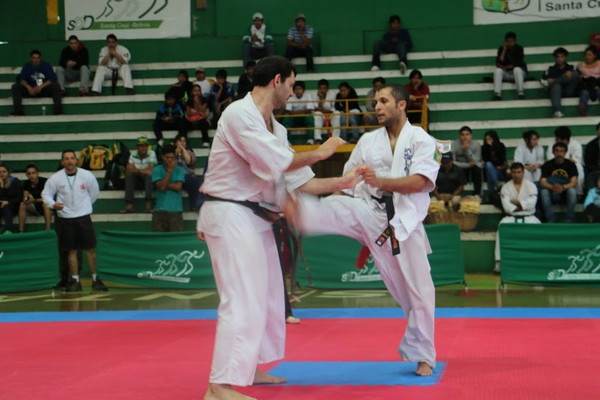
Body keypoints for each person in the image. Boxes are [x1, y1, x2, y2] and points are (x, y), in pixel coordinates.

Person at [196, 55, 349, 400]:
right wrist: (321, 152)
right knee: (241, 298)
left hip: (257, 218)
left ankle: (248, 367)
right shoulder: (238, 114)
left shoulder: (276, 129)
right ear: (276, 80)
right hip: (231, 212)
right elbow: (278, 162)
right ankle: (219, 385)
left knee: (267, 296)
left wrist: (345, 181)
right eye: (292, 85)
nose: (293, 92)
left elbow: (299, 180)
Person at [295, 83, 439, 377]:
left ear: (401, 105)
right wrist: (341, 191)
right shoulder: (368, 141)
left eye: (383, 101)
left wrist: (381, 181)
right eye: (375, 102)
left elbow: (421, 182)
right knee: (336, 205)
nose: (377, 107)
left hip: (405, 220)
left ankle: (423, 355)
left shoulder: (424, 141)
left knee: (418, 291)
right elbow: (350, 182)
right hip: (369, 209)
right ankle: (296, 211)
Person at [41, 150, 107, 292]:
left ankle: (96, 279)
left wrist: (84, 206)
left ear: (76, 160)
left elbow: (94, 193)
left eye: (72, 158)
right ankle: (75, 281)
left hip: (83, 217)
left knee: (90, 249)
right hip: (66, 219)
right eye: (66, 159)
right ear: (62, 162)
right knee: (71, 250)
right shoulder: (55, 178)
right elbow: (46, 194)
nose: (70, 161)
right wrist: (53, 205)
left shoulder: (87, 175)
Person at [494, 162, 540, 273]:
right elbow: (507, 207)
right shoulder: (506, 187)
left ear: (523, 173)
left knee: (539, 229)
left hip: (529, 217)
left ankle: (538, 261)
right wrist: (523, 206)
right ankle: (499, 262)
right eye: (514, 172)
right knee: (501, 227)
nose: (516, 175)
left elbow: (532, 205)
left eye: (519, 172)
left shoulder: (531, 186)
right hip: (511, 217)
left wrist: (517, 203)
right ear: (510, 173)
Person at [10, 49, 62, 116]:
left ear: (40, 58)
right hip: (30, 90)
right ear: (31, 58)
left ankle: (57, 110)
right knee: (15, 86)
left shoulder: (46, 65)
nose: (36, 60)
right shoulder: (27, 66)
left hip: (43, 90)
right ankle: (18, 111)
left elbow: (52, 78)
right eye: (34, 58)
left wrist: (41, 87)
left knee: (56, 86)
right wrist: (28, 87)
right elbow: (21, 78)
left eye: (37, 58)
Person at [540, 142, 578, 223]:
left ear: (565, 152)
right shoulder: (547, 164)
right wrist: (553, 187)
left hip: (565, 193)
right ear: (553, 152)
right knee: (544, 192)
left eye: (561, 151)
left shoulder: (571, 164)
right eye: (557, 151)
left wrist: (563, 187)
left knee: (572, 191)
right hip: (552, 192)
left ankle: (569, 219)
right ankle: (550, 219)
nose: (559, 154)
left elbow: (574, 182)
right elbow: (542, 182)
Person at [152, 144, 185, 232]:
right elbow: (162, 187)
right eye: (167, 157)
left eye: (172, 157)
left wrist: (163, 182)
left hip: (176, 210)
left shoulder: (179, 170)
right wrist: (170, 172)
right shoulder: (156, 169)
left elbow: (178, 187)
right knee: (158, 239)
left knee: (176, 239)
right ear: (163, 157)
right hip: (160, 210)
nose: (170, 160)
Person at [121, 136, 157, 214]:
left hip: (148, 178)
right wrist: (141, 170)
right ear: (137, 147)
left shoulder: (151, 153)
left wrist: (136, 169)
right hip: (137, 177)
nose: (143, 148)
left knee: (149, 176)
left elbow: (150, 170)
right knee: (129, 175)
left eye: (145, 146)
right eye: (141, 146)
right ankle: (130, 205)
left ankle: (148, 204)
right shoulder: (133, 154)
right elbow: (128, 169)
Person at [540, 47, 579, 118]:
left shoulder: (571, 67)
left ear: (566, 57)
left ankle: (556, 81)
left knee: (575, 74)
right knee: (556, 85)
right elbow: (545, 81)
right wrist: (563, 76)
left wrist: (555, 80)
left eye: (562, 56)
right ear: (555, 58)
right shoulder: (550, 69)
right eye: (557, 57)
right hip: (556, 92)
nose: (559, 59)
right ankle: (557, 111)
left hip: (569, 90)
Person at [546, 126, 585, 195]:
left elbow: (576, 160)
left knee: (578, 167)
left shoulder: (576, 144)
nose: (556, 140)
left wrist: (563, 159)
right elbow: (550, 159)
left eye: (558, 138)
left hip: (570, 166)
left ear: (565, 139)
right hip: (555, 165)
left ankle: (579, 193)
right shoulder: (552, 145)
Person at [492, 31, 527, 100]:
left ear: (515, 41)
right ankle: (497, 94)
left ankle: (520, 93)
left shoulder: (519, 48)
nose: (510, 43)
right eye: (508, 41)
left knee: (517, 69)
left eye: (512, 41)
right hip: (506, 73)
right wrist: (504, 51)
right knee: (498, 71)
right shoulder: (501, 49)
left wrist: (508, 66)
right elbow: (498, 63)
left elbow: (519, 63)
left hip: (518, 74)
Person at [173, 134, 202, 211]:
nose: (182, 143)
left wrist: (183, 149)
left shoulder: (190, 152)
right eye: (180, 141)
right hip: (174, 176)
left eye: (184, 141)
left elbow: (189, 162)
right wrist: (176, 153)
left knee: (195, 183)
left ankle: (194, 206)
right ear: (176, 142)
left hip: (186, 176)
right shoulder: (171, 151)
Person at [18, 164, 51, 233]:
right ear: (26, 175)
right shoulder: (26, 183)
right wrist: (27, 199)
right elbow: (25, 198)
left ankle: (48, 229)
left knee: (45, 204)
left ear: (37, 173)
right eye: (29, 174)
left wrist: (34, 200)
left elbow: (47, 198)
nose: (31, 175)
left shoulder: (44, 181)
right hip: (34, 206)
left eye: (33, 173)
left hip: (45, 206)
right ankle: (21, 231)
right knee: (22, 204)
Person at [453, 126, 482, 197]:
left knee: (477, 169)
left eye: (467, 134)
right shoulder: (454, 144)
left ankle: (477, 194)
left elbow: (476, 160)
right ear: (459, 136)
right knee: (453, 168)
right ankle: (454, 194)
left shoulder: (476, 144)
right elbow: (452, 162)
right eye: (462, 135)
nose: (465, 137)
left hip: (472, 167)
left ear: (471, 135)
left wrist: (467, 150)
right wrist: (468, 165)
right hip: (460, 166)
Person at [482, 130, 507, 204]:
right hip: (491, 170)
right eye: (486, 140)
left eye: (489, 139)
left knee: (489, 168)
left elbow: (501, 160)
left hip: (500, 171)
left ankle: (491, 196)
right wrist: (489, 148)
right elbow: (486, 159)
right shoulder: (484, 148)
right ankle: (496, 184)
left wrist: (496, 164)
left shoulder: (501, 146)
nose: (488, 141)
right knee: (488, 166)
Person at [312, 79, 340, 144]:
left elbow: (333, 109)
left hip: (331, 115)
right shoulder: (314, 95)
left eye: (324, 88)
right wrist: (321, 99)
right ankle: (318, 138)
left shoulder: (332, 94)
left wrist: (322, 110)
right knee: (317, 114)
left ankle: (335, 138)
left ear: (327, 89)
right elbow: (316, 109)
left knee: (337, 113)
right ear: (318, 88)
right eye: (320, 88)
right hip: (321, 115)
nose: (322, 90)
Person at [576, 46, 600, 116]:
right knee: (584, 93)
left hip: (598, 84)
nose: (587, 57)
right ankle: (582, 111)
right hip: (586, 85)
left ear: (594, 56)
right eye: (586, 55)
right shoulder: (580, 65)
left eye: (590, 55)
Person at [0, 164, 22, 234]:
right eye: (0, 172)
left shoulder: (15, 181)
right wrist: (1, 186)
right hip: (2, 205)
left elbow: (19, 197)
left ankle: (9, 230)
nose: (1, 174)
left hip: (14, 205)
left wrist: (8, 202)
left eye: (4, 172)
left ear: (8, 173)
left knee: (6, 207)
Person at [584, 122, 600, 191]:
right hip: (595, 171)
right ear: (597, 131)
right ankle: (592, 195)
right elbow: (588, 163)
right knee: (591, 177)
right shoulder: (590, 145)